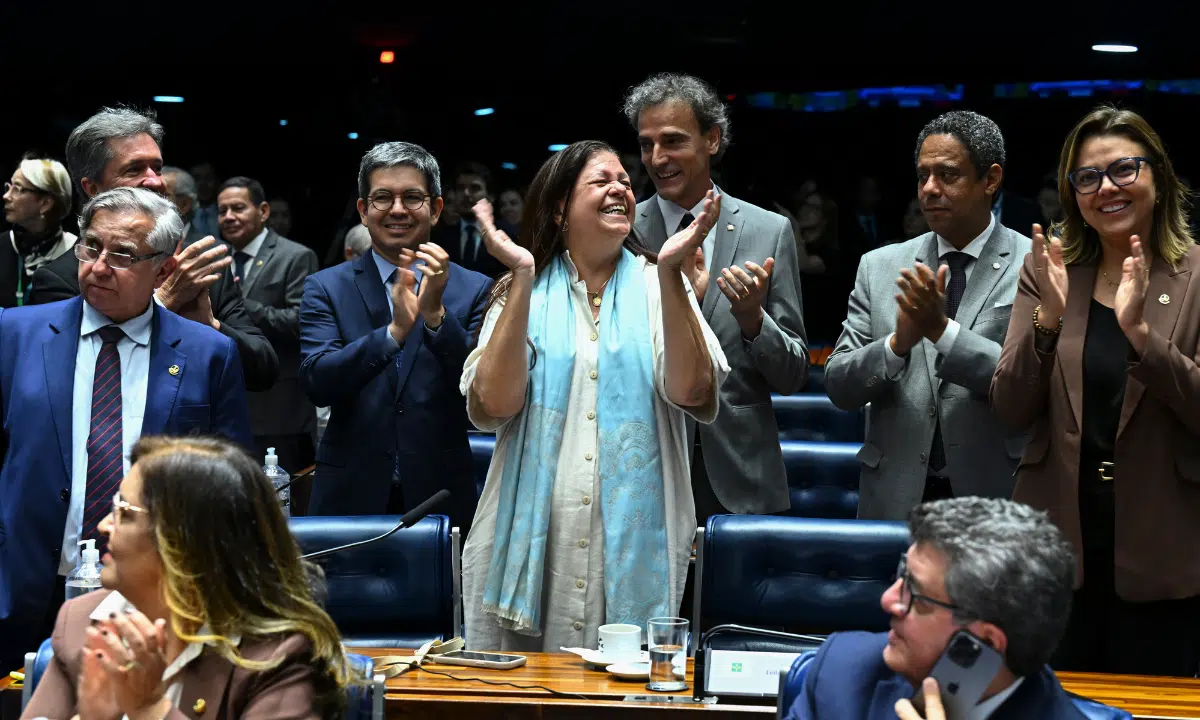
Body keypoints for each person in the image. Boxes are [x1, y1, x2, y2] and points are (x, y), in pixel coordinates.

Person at [460, 140, 728, 651]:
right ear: (560, 206)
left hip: (632, 548)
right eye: (601, 180)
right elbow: (494, 406)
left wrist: (673, 276)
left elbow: (692, 391)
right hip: (530, 547)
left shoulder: (657, 284)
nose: (620, 189)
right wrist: (519, 277)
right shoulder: (522, 290)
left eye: (625, 181)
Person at [0, 187, 252, 674]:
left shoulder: (207, 353)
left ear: (162, 268)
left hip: (155, 597)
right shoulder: (15, 334)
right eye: (91, 246)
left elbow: (229, 489)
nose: (97, 267)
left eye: (121, 255)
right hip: (25, 590)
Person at [990, 106, 1200, 676]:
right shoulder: (1049, 271)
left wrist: (1142, 338)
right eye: (1087, 177)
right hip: (1058, 539)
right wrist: (1048, 323)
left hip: (1164, 544)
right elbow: (1009, 408)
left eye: (1124, 169)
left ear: (1158, 176)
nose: (1105, 187)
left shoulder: (1197, 275)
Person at [20, 435, 355, 719]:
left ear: (184, 541)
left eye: (123, 512)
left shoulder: (278, 658)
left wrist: (151, 708)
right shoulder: (83, 623)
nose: (104, 526)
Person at [824, 110, 1030, 520]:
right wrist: (896, 345)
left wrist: (941, 332)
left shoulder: (1034, 265)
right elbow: (838, 386)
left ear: (990, 179)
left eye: (947, 175)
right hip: (895, 497)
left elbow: (1032, 386)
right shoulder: (879, 266)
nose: (930, 189)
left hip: (995, 498)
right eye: (922, 176)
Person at [625, 72, 807, 522]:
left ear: (712, 139)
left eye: (672, 141)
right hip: (642, 473)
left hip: (740, 476)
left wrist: (753, 322)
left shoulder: (769, 231)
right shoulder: (621, 231)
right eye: (647, 144)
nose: (657, 158)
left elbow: (794, 374)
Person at [300, 142, 491, 535]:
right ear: (363, 210)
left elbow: (482, 391)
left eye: (412, 197)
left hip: (441, 492)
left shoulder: (475, 288)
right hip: (350, 491)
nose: (397, 209)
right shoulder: (325, 286)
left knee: (447, 598)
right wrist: (392, 335)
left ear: (436, 209)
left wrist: (436, 315)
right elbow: (318, 382)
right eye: (383, 197)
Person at [29, 106, 279, 392]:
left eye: (157, 168)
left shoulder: (197, 263)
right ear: (93, 189)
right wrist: (165, 302)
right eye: (134, 169)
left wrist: (211, 327)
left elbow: (263, 372)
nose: (156, 181)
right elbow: (64, 386)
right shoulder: (59, 278)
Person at [784, 497, 1082, 720]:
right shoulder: (842, 674)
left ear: (987, 642)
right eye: (903, 575)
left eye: (918, 594)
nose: (888, 600)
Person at [218, 176, 318, 477]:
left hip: (279, 408)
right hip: (228, 403)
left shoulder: (295, 256)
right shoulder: (217, 257)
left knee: (280, 504)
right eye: (222, 211)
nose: (229, 217)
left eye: (238, 208)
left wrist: (243, 303)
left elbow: (301, 323)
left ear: (263, 211)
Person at [2, 156, 76, 307]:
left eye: (17, 189)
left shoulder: (78, 254)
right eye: (9, 187)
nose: (6, 196)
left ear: (45, 203)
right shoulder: (2, 244)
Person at [433, 161, 514, 278]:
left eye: (475, 188)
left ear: (490, 196)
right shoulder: (440, 237)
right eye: (460, 188)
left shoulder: (507, 235)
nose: (466, 193)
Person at [161, 166, 206, 247]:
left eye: (161, 196)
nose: (152, 201)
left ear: (185, 205)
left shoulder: (213, 252)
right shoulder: (139, 245)